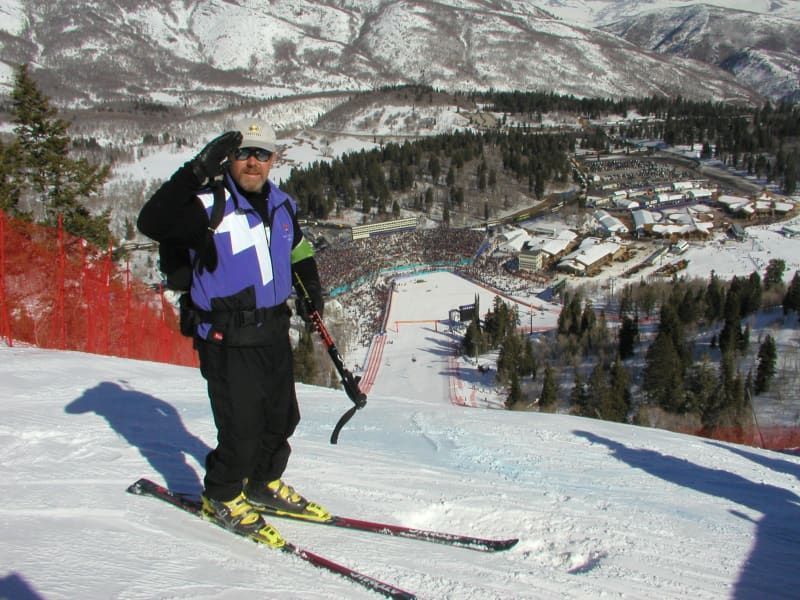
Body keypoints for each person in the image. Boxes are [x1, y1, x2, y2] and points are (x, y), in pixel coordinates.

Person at [137, 119, 328, 543]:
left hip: (273, 331)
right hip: (226, 336)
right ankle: (222, 494)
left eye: (262, 154)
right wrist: (195, 170)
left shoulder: (281, 204)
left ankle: (261, 483)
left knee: (282, 418)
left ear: (275, 159)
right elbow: (151, 221)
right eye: (244, 153)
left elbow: (298, 249)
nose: (253, 162)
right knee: (241, 428)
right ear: (230, 158)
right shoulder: (207, 205)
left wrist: (311, 287)